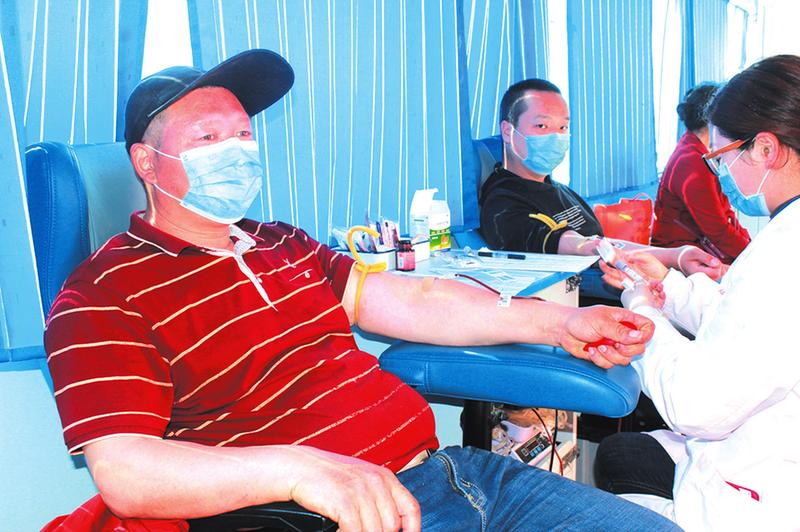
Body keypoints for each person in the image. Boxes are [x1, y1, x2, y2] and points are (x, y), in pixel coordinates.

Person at [42, 49, 678, 531]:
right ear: (146, 162)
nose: (235, 151)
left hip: (455, 474)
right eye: (207, 138)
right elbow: (126, 471)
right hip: (342, 515)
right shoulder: (104, 292)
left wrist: (557, 325)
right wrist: (297, 469)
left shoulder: (282, 243)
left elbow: (413, 300)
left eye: (242, 135)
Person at [593, 54, 800, 529]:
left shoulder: (783, 255)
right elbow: (748, 323)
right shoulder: (783, 239)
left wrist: (642, 310)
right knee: (624, 454)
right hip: (761, 449)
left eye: (724, 158)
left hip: (763, 497)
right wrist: (667, 286)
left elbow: (697, 406)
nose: (723, 172)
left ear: (766, 149)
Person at [479, 78, 726, 281]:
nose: (556, 137)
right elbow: (579, 244)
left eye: (563, 128)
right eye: (542, 126)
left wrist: (677, 256)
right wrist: (672, 258)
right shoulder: (503, 204)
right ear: (508, 131)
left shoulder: (558, 190)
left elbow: (603, 242)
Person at [651, 83, 750, 263]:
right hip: (683, 256)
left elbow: (724, 217)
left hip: (700, 246)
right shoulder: (692, 162)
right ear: (712, 118)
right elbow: (717, 229)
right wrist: (751, 255)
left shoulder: (693, 147)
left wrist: (749, 244)